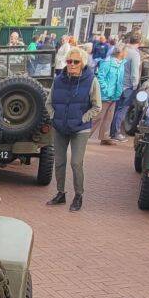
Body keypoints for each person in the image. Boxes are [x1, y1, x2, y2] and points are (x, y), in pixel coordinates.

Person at [47, 47, 100, 211]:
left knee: (76, 162)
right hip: (60, 126)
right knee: (60, 162)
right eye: (69, 61)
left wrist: (83, 118)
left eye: (75, 62)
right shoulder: (58, 80)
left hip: (80, 129)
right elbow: (48, 102)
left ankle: (79, 195)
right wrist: (53, 116)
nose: (71, 64)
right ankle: (60, 193)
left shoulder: (91, 80)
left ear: (82, 63)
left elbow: (97, 106)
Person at [91, 47, 126, 145]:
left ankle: (104, 137)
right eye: (125, 51)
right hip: (105, 95)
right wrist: (106, 90)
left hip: (114, 95)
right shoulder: (107, 63)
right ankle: (84, 136)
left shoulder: (121, 64)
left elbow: (119, 80)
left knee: (108, 118)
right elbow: (100, 77)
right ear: (120, 52)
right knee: (97, 117)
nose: (126, 53)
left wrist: (118, 91)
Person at [111, 34, 141, 140]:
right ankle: (116, 132)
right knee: (122, 110)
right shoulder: (135, 54)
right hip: (127, 85)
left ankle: (111, 131)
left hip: (116, 83)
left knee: (115, 109)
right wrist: (135, 85)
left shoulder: (119, 49)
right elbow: (135, 71)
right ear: (139, 43)